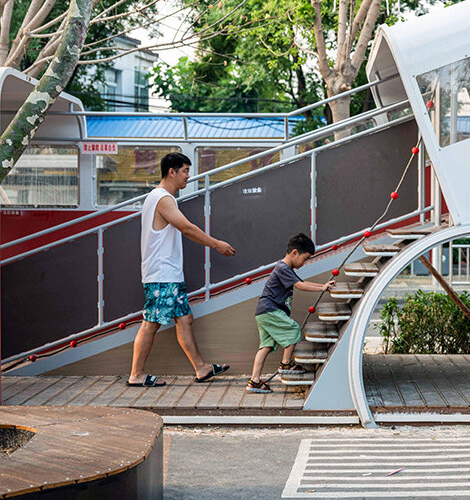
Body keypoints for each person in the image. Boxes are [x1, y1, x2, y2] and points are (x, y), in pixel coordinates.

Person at [128, 152, 236, 387]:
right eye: (185, 171)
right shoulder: (163, 198)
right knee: (151, 323)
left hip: (168, 274)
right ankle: (136, 374)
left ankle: (202, 368)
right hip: (162, 275)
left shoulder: (157, 197)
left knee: (184, 319)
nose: (189, 176)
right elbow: (186, 228)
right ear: (172, 172)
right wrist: (216, 244)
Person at [246, 233, 335, 393]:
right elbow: (300, 286)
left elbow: (302, 283)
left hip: (264, 312)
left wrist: (322, 286)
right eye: (305, 258)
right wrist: (322, 287)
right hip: (270, 310)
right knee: (293, 329)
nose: (304, 263)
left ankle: (255, 381)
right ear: (294, 253)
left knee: (266, 345)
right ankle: (286, 363)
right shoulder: (283, 268)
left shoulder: (285, 268)